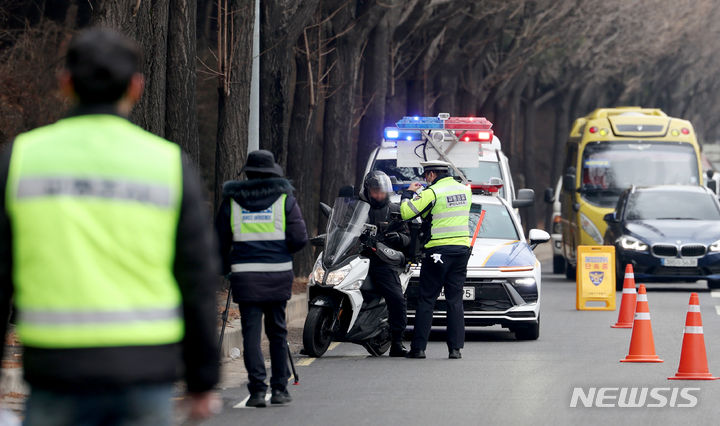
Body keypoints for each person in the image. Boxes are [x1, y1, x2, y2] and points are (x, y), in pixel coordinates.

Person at [0, 28, 220, 425]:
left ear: (65, 83)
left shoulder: (19, 161)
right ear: (136, 88)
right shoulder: (169, 165)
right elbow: (197, 279)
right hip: (144, 374)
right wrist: (202, 380)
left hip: (55, 374)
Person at [215, 150, 308, 407]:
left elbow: (219, 241)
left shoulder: (232, 202)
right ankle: (280, 389)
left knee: (251, 334)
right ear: (272, 173)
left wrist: (227, 269)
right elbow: (300, 237)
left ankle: (257, 391)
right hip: (277, 274)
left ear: (249, 173)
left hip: (245, 277)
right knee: (277, 332)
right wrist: (279, 251)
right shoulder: (284, 199)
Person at [399, 160, 472, 359]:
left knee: (427, 299)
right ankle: (455, 349)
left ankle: (419, 349)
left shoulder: (432, 192)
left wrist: (409, 193)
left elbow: (407, 212)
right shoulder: (465, 190)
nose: (425, 180)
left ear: (431, 175)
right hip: (461, 250)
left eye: (426, 177)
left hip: (438, 251)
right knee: (454, 300)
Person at [359, 171, 411, 357]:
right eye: (375, 191)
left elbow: (407, 238)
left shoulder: (394, 210)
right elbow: (340, 226)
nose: (379, 195)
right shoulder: (358, 207)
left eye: (381, 191)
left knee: (396, 298)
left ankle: (397, 341)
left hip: (382, 260)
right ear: (367, 190)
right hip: (355, 257)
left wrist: (399, 238)